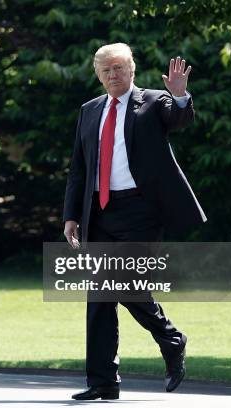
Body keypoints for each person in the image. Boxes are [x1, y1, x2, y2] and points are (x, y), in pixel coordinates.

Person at [63, 43, 206, 400]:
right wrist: (70, 216)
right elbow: (79, 170)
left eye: (119, 68)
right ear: (99, 75)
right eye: (106, 70)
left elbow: (180, 119)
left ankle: (171, 340)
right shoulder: (90, 110)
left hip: (141, 211)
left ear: (132, 70)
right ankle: (103, 381)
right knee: (99, 298)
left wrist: (181, 95)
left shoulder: (155, 102)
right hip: (99, 212)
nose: (113, 75)